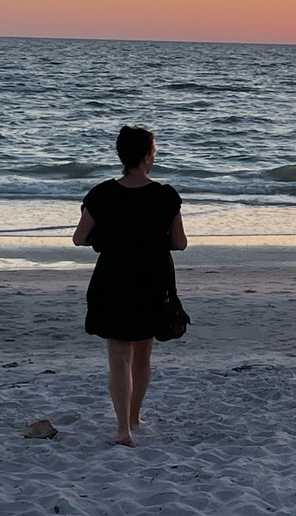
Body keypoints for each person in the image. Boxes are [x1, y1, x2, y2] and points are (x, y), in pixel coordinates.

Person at [73, 126, 188, 447]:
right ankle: (135, 418)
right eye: (154, 149)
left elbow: (79, 237)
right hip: (152, 278)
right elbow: (179, 243)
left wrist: (112, 235)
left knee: (118, 355)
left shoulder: (101, 194)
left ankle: (123, 429)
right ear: (148, 154)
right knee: (142, 352)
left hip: (112, 278)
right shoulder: (166, 195)